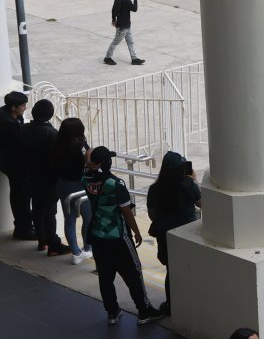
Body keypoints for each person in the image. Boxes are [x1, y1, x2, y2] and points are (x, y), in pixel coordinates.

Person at [83, 146, 164, 326]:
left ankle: (112, 312)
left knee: (105, 276)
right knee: (133, 273)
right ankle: (144, 311)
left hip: (97, 236)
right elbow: (126, 212)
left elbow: (88, 167)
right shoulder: (116, 184)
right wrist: (136, 231)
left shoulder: (85, 179)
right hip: (118, 237)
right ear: (107, 163)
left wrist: (91, 162)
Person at [146, 150, 201, 316]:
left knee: (172, 270)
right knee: (191, 269)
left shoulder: (155, 189)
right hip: (188, 235)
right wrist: (194, 181)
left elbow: (151, 214)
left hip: (166, 236)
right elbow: (203, 204)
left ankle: (171, 304)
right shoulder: (189, 185)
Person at [23, 99, 71, 256]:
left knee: (37, 208)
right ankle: (53, 245)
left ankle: (42, 240)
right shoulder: (52, 134)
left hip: (30, 176)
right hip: (49, 179)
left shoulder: (24, 130)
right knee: (50, 212)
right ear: (50, 114)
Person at [50, 117, 92, 264]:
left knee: (69, 220)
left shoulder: (57, 144)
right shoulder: (80, 145)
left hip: (62, 185)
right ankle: (88, 248)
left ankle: (75, 253)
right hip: (78, 187)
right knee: (89, 218)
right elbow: (88, 161)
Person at [0, 90, 34, 240]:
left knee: (20, 193)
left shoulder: (9, 115)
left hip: (11, 162)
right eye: (23, 105)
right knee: (21, 195)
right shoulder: (8, 124)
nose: (25, 108)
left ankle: (24, 225)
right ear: (13, 107)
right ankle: (23, 228)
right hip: (14, 164)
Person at [104, 0, 145, 66]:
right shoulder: (126, 0)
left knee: (130, 42)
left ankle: (134, 59)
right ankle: (107, 58)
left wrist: (113, 19)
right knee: (115, 42)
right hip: (123, 27)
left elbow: (113, 9)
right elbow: (134, 9)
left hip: (126, 26)